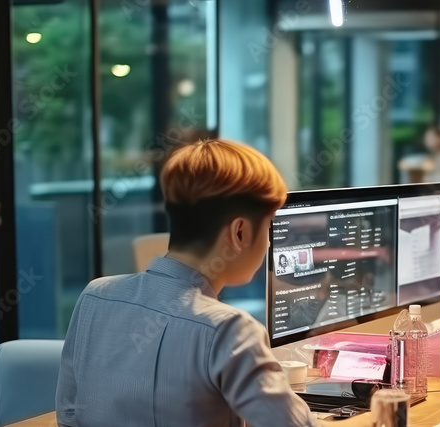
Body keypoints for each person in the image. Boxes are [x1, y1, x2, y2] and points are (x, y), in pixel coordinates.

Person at [56, 139, 370, 427]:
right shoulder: (229, 331)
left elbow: (68, 417)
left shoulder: (95, 296)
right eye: (270, 228)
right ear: (239, 233)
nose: (270, 245)